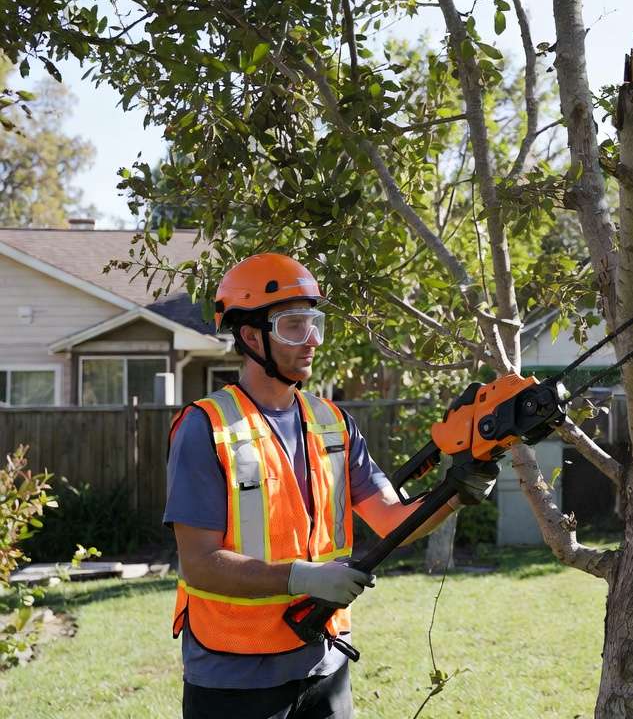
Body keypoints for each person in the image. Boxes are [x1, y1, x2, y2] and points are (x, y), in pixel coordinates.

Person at [164, 253, 496, 718]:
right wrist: (302, 577)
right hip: (234, 670)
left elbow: (392, 519)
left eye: (314, 323)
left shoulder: (333, 423)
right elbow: (200, 565)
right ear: (252, 336)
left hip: (324, 661)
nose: (313, 339)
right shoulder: (207, 428)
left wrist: (461, 487)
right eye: (294, 326)